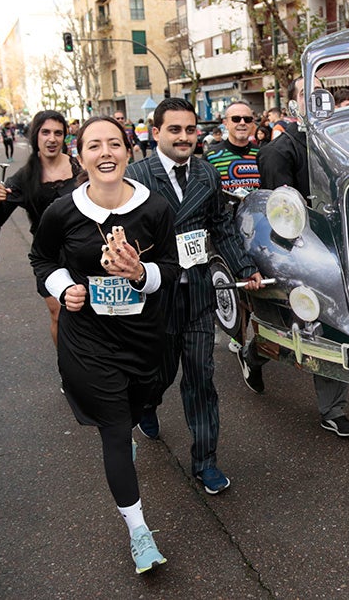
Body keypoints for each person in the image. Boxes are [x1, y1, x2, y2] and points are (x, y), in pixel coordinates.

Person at [29, 116, 179, 574]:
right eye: (94, 145)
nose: (106, 152)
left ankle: (135, 419)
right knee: (114, 429)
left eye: (115, 143)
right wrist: (62, 286)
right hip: (88, 339)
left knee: (143, 402)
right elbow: (40, 259)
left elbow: (172, 268)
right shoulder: (63, 212)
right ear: (81, 155)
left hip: (144, 337)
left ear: (128, 151)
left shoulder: (155, 208)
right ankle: (139, 532)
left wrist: (140, 274)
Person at [127, 98, 264, 495]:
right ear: (156, 133)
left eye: (190, 130)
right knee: (160, 373)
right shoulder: (136, 176)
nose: (184, 137)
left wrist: (243, 268)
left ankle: (205, 461)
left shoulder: (206, 172)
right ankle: (148, 404)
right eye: (174, 130)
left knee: (201, 379)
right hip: (156, 296)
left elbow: (221, 226)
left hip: (200, 293)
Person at [251, 76, 349, 437]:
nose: (319, 99)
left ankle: (333, 408)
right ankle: (254, 354)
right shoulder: (279, 151)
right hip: (302, 254)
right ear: (294, 104)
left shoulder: (339, 147)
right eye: (308, 94)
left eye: (323, 92)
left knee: (335, 324)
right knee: (303, 326)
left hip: (343, 249)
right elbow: (276, 216)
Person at [0, 110, 82, 345]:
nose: (52, 139)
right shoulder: (24, 178)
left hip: (83, 251)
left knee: (87, 315)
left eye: (58, 133)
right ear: (36, 136)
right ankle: (67, 371)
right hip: (49, 257)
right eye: (45, 132)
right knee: (60, 314)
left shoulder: (79, 169)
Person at [206, 101, 261, 196]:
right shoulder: (211, 157)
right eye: (236, 119)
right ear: (225, 123)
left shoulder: (262, 155)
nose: (242, 123)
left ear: (252, 123)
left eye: (247, 119)